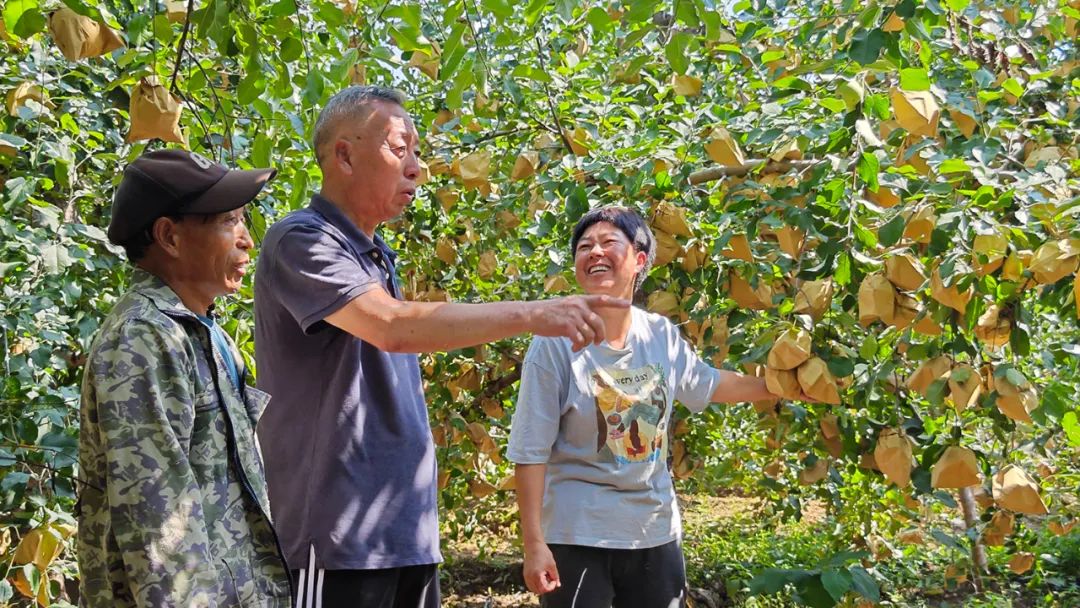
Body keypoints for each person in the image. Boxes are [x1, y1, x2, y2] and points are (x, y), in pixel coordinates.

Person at [253, 85, 628, 608]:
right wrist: (534, 314)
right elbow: (391, 325)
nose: (417, 167)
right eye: (399, 147)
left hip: (405, 532)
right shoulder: (302, 240)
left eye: (417, 150)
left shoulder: (375, 253)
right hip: (337, 539)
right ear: (343, 154)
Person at [507, 206, 800, 608]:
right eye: (584, 246)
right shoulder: (553, 342)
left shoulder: (660, 333)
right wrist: (534, 543)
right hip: (577, 534)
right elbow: (530, 450)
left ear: (639, 260)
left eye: (609, 242)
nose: (594, 252)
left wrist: (781, 386)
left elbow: (708, 383)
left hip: (654, 530)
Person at [77, 149, 292, 607]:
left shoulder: (200, 330)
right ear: (169, 236)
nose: (247, 240)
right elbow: (159, 526)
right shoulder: (142, 341)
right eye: (228, 221)